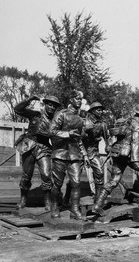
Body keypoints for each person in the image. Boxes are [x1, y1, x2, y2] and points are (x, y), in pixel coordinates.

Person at [93, 103, 139, 213]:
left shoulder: (127, 120)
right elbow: (135, 142)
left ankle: (98, 204)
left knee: (114, 179)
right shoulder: (138, 125)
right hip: (128, 154)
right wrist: (135, 160)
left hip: (117, 152)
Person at [14, 95, 61, 210]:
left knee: (46, 175)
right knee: (26, 176)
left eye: (54, 106)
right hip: (29, 146)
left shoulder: (56, 120)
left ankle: (47, 201)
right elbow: (17, 109)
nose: (51, 107)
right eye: (49, 104)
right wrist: (29, 99)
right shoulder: (35, 115)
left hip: (44, 148)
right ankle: (23, 199)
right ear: (45, 104)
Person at [49, 90, 90, 220]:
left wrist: (84, 154)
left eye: (81, 99)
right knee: (57, 183)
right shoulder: (61, 114)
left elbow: (79, 139)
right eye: (77, 98)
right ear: (71, 99)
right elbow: (51, 131)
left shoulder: (80, 119)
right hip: (60, 153)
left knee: (76, 183)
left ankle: (74, 210)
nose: (80, 101)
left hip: (75, 155)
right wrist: (67, 134)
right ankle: (55, 207)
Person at [82, 102, 109, 202]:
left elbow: (107, 137)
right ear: (92, 111)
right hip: (82, 151)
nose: (101, 111)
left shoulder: (102, 124)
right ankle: (67, 199)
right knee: (75, 177)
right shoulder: (85, 121)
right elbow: (79, 138)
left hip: (94, 152)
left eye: (101, 110)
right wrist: (86, 132)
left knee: (99, 173)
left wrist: (108, 146)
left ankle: (98, 200)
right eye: (98, 110)